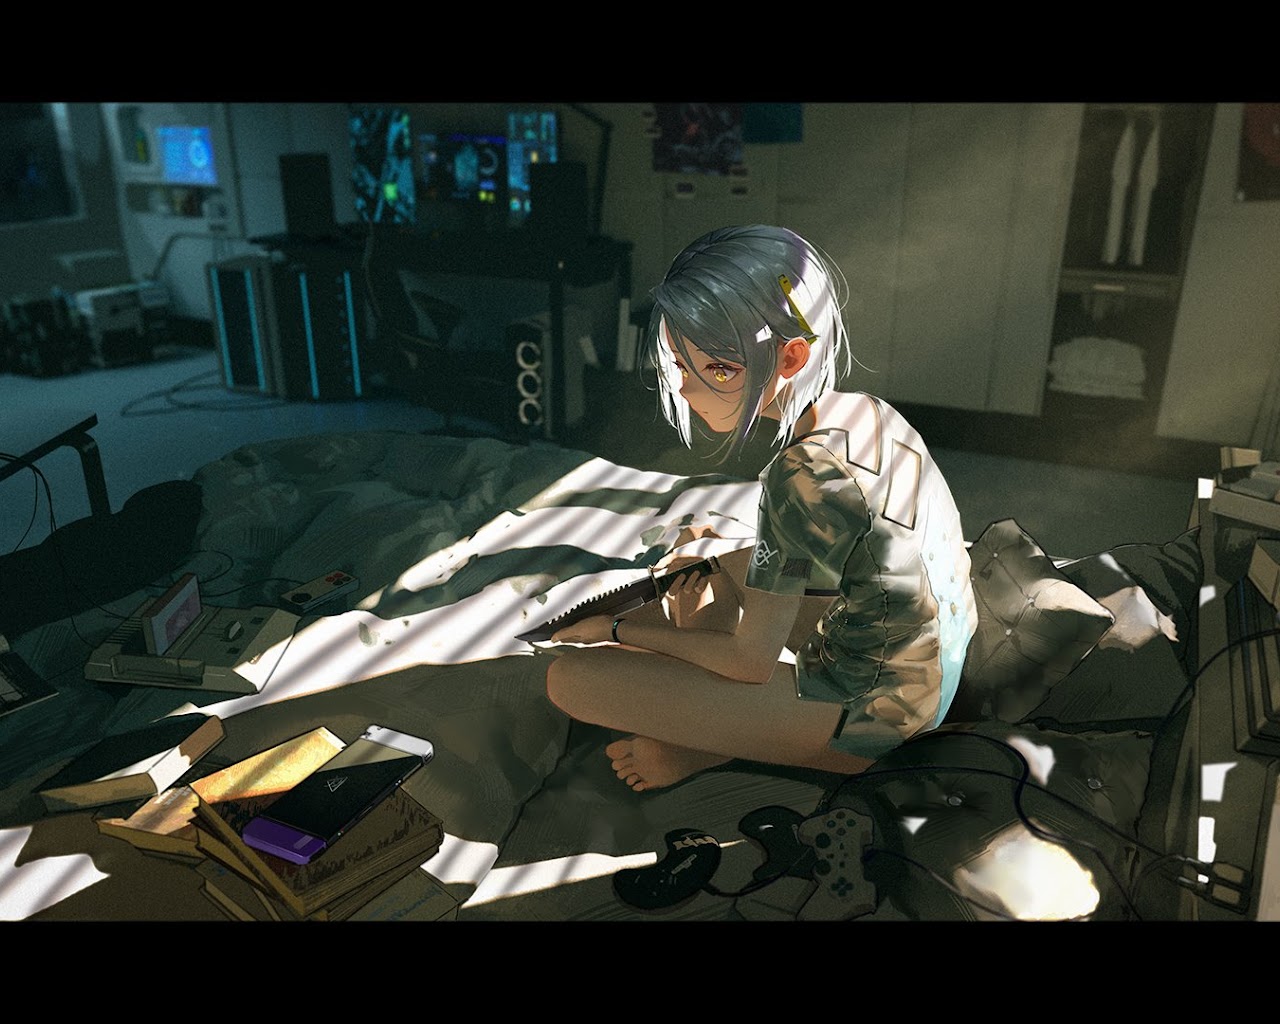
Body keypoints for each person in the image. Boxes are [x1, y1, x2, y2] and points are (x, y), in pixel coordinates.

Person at [544, 225, 978, 792]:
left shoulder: (801, 474)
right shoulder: (868, 413)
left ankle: (707, 747)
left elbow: (751, 663)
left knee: (570, 678)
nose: (688, 390)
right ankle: (728, 725)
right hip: (933, 673)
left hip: (877, 726)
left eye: (719, 370)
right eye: (680, 365)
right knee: (705, 575)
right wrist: (724, 566)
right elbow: (852, 556)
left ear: (792, 357)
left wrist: (617, 629)